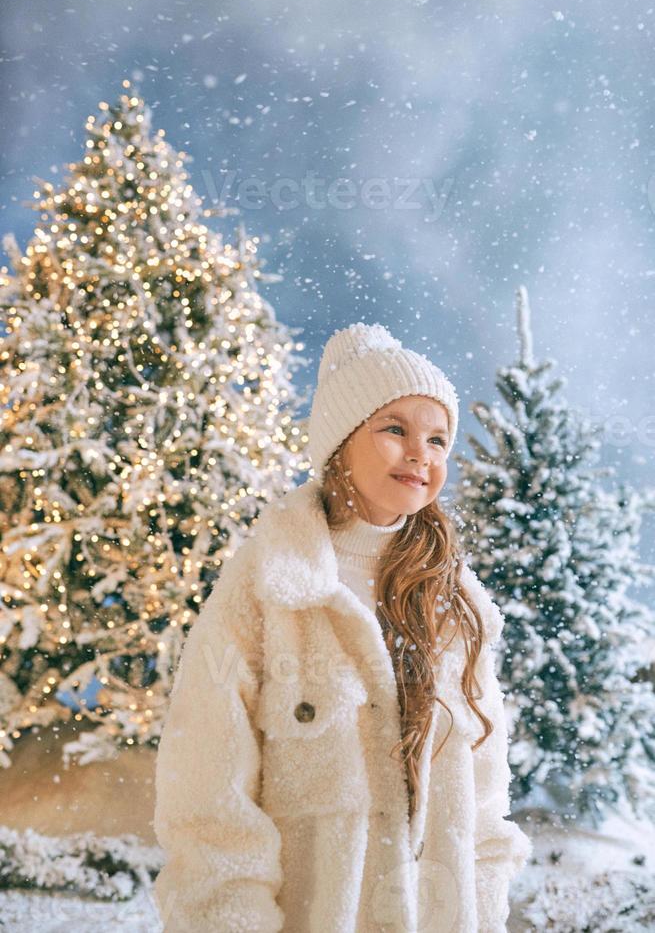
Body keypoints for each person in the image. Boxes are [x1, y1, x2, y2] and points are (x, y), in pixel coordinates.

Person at [152, 322, 532, 933]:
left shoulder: (456, 604)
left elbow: (486, 801)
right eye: (395, 430)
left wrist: (484, 906)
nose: (421, 454)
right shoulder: (270, 582)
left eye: (438, 439)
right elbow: (207, 794)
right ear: (340, 441)